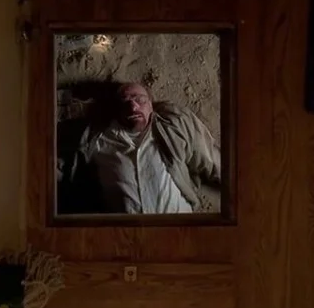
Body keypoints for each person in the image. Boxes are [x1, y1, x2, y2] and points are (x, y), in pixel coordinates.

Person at [56, 82, 220, 214]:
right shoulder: (97, 139)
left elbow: (212, 160)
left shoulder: (171, 129)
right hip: (125, 235)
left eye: (139, 100)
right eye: (124, 102)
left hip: (178, 228)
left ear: (151, 105)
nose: (133, 107)